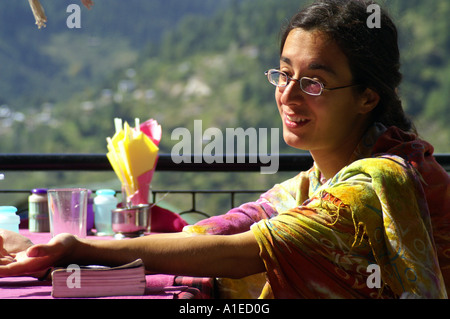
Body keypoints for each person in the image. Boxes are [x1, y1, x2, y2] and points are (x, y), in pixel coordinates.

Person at [1, 0, 449, 299]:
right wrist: (62, 252)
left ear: (368, 96)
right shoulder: (316, 182)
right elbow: (218, 232)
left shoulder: (383, 181)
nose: (289, 96)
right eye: (284, 74)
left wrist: (80, 250)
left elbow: (244, 250)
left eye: (313, 82)